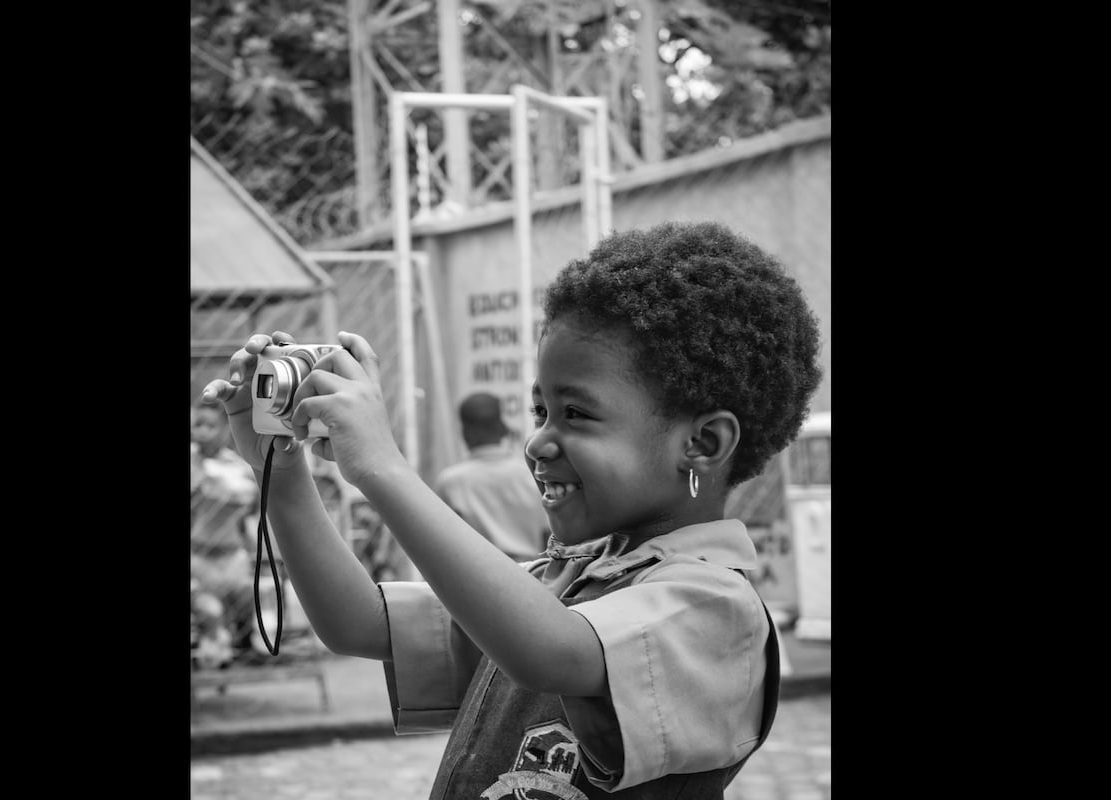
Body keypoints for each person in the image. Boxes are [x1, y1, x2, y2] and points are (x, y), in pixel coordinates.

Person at [200, 220, 822, 798]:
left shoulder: (718, 608)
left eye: (575, 413)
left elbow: (551, 651)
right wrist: (281, 470)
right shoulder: (565, 578)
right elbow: (357, 623)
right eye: (540, 411)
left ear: (703, 444)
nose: (539, 441)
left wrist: (383, 467)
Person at [433, 392, 551, 561]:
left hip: (475, 572)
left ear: (465, 433)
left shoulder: (451, 483)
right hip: (532, 571)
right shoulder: (533, 475)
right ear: (503, 428)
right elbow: (549, 537)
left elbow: (443, 545)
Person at [190, 402, 260, 659]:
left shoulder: (236, 466)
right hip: (198, 558)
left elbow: (252, 503)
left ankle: (244, 646)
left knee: (246, 596)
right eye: (198, 424)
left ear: (225, 430)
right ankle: (212, 644)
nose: (203, 431)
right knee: (210, 611)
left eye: (211, 426)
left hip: (232, 556)